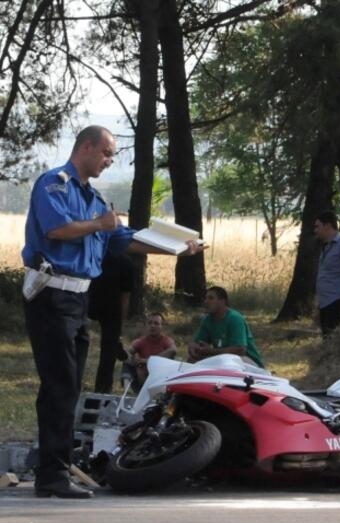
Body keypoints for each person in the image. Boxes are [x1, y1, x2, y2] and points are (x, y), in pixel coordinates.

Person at [21, 125, 204, 499]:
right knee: (59, 386)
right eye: (105, 153)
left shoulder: (94, 198)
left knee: (69, 386)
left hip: (77, 300)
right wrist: (100, 224)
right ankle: (51, 475)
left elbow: (123, 239)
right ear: (86, 147)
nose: (108, 161)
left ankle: (53, 466)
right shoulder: (54, 184)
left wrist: (175, 249)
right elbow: (57, 230)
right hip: (51, 296)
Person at [88, 251, 134, 393]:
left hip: (87, 301)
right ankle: (102, 388)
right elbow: (125, 296)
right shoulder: (125, 261)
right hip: (112, 307)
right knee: (108, 352)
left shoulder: (91, 254)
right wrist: (120, 326)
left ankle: (71, 383)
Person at [187, 286, 265, 368]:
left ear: (222, 301)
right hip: (223, 359)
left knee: (228, 363)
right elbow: (198, 341)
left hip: (246, 360)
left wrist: (211, 351)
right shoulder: (208, 320)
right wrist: (193, 346)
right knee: (192, 360)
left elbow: (240, 350)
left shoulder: (234, 318)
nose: (206, 302)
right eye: (205, 298)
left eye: (211, 298)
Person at [125, 312, 177, 387]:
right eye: (150, 323)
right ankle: (127, 388)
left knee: (173, 360)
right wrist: (134, 358)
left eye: (156, 323)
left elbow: (173, 350)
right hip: (142, 378)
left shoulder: (166, 340)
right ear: (146, 325)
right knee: (126, 361)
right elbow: (127, 352)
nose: (152, 326)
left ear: (161, 326)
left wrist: (148, 361)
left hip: (160, 380)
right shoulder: (140, 341)